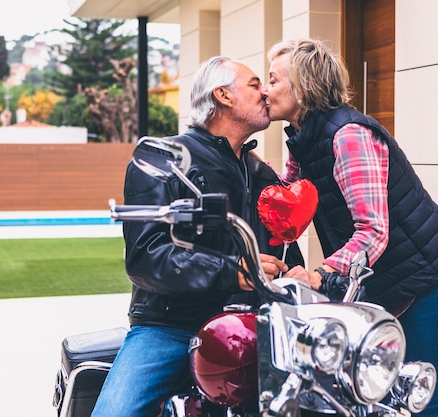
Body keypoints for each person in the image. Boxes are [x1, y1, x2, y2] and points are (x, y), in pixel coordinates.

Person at [91, 56, 304, 417]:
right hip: (171, 325)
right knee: (114, 412)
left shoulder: (260, 173)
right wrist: (233, 271)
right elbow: (146, 257)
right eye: (255, 85)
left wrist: (296, 272)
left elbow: (281, 247)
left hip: (252, 326)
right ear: (223, 95)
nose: (265, 93)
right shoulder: (162, 158)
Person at [267, 38, 438, 417]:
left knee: (428, 403)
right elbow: (284, 199)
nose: (265, 89)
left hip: (427, 283)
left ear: (302, 86)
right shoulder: (305, 141)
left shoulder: (348, 135)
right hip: (390, 284)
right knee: (380, 402)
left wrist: (320, 274)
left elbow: (372, 231)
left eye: (274, 80)